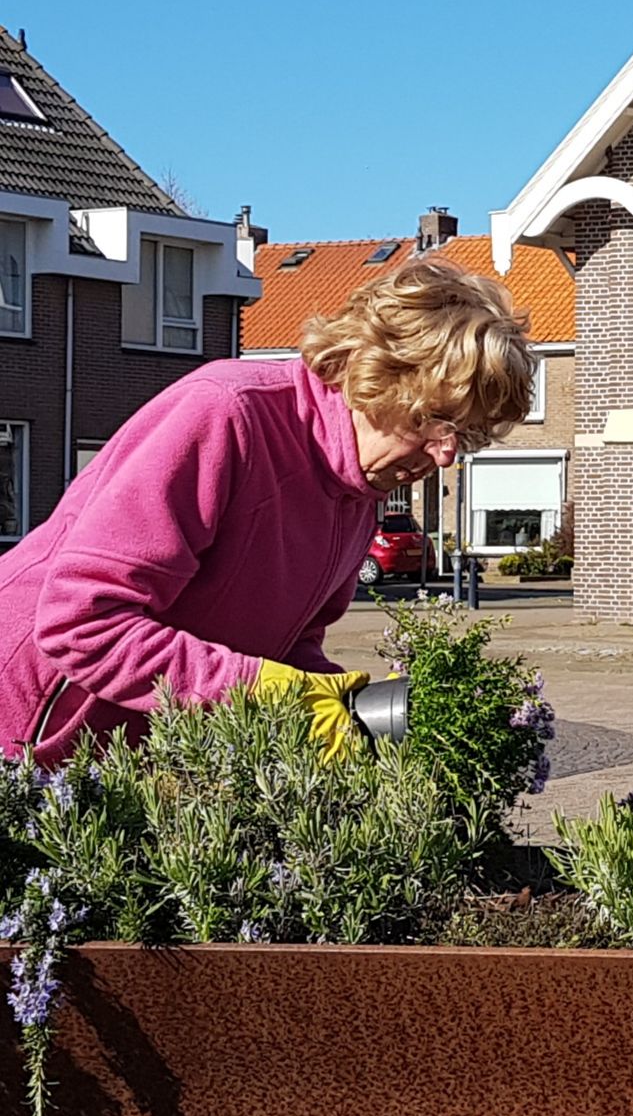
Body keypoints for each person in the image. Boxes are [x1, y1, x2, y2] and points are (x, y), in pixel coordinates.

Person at [0, 257, 535, 766]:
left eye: (466, 435)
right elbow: (81, 623)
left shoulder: (358, 494)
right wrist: (265, 693)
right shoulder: (227, 415)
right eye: (436, 420)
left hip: (126, 754)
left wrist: (333, 704)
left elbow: (287, 644)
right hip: (27, 728)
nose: (446, 455)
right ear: (379, 375)